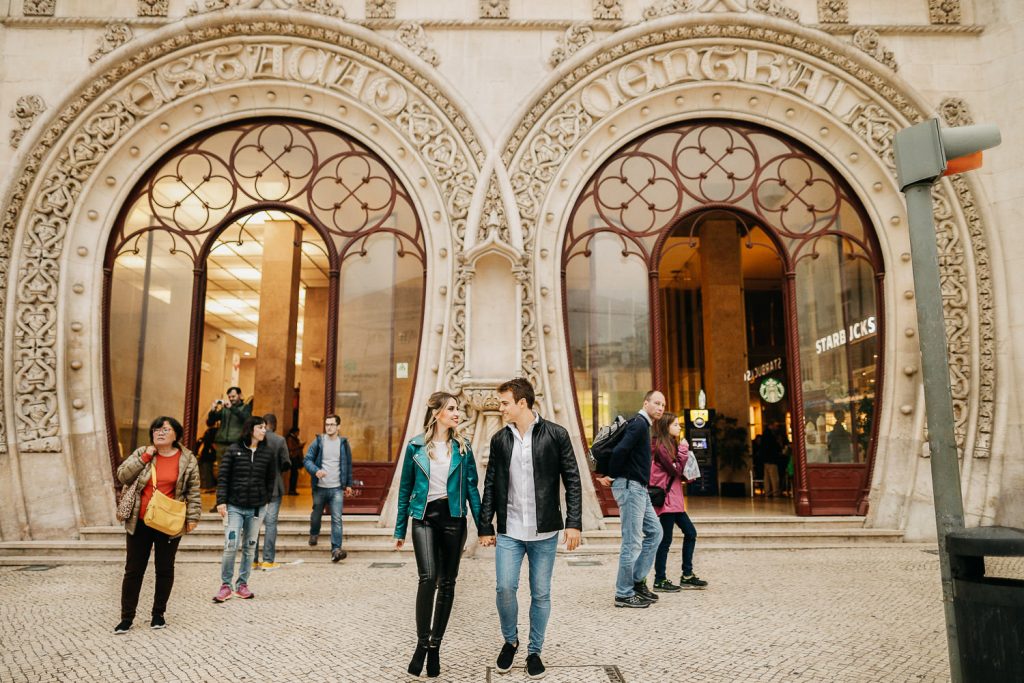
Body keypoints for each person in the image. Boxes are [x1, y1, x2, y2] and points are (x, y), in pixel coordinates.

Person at [479, 378, 583, 681]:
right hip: (510, 530)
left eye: (505, 403)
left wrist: (574, 522)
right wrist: (485, 525)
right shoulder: (500, 440)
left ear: (521, 403)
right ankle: (510, 641)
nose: (500, 408)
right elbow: (490, 484)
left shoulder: (556, 434)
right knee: (504, 588)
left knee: (541, 593)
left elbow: (572, 479)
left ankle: (534, 651)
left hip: (544, 532)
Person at [394, 392, 483, 678]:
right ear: (437, 413)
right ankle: (422, 643)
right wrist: (399, 529)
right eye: (452, 408)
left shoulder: (463, 448)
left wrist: (484, 527)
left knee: (447, 582)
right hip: (423, 518)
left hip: (454, 519)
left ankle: (435, 646)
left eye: (458, 409)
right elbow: (405, 490)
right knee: (428, 577)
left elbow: (472, 490)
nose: (457, 413)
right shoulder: (415, 447)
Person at [114, 416, 201, 634]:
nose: (160, 433)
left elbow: (193, 490)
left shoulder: (187, 459)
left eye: (165, 429)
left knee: (164, 569)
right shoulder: (143, 453)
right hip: (140, 521)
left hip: (168, 522)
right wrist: (145, 457)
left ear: (176, 434)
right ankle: (127, 618)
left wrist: (192, 517)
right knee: (133, 570)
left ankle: (158, 614)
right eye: (156, 429)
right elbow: (122, 476)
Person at [597, 390, 665, 608]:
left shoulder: (643, 425)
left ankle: (636, 581)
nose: (660, 408)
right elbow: (620, 450)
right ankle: (624, 593)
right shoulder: (638, 424)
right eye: (656, 403)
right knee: (632, 541)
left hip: (639, 488)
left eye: (663, 405)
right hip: (630, 487)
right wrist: (611, 474)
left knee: (655, 532)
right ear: (646, 403)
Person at [213, 415, 277, 602]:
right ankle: (226, 586)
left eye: (264, 427)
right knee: (231, 544)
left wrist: (265, 499)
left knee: (250, 547)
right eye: (260, 427)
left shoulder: (268, 453)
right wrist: (221, 501)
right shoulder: (233, 450)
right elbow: (223, 477)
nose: (264, 430)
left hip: (257, 508)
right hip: (234, 506)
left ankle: (242, 584)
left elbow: (270, 479)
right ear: (251, 429)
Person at [649, 413, 708, 592]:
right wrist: (683, 451)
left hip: (674, 501)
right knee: (665, 540)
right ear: (666, 426)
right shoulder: (660, 447)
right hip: (667, 502)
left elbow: (675, 472)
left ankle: (687, 575)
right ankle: (660, 580)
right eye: (675, 424)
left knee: (690, 533)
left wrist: (685, 474)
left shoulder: (669, 445)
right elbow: (674, 470)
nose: (679, 427)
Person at [303, 414, 354, 562]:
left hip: (337, 488)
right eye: (327, 424)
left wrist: (348, 484)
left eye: (332, 424)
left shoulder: (343, 444)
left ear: (338, 426)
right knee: (316, 514)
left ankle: (336, 549)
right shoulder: (319, 442)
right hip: (320, 487)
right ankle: (314, 533)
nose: (329, 427)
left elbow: (348, 465)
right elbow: (307, 460)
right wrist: (316, 471)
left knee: (337, 518)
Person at [254, 413, 291, 570]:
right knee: (270, 524)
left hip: (256, 487)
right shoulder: (279, 440)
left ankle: (252, 560)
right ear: (274, 424)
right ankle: (268, 560)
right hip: (274, 487)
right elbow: (286, 463)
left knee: (254, 524)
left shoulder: (255, 439)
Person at [206, 386, 253, 476]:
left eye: (233, 396)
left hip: (236, 444)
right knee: (221, 470)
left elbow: (247, 419)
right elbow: (210, 423)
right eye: (229, 397)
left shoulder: (246, 407)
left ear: (240, 395)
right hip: (221, 443)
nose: (231, 399)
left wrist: (232, 408)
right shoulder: (225, 409)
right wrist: (212, 411)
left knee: (236, 470)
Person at [197, 426, 218, 491]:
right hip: (206, 455)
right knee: (205, 470)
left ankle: (207, 486)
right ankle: (206, 486)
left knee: (206, 470)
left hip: (206, 455)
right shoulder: (211, 433)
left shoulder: (208, 434)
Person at [285, 426, 304, 495]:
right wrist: (299, 446)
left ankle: (293, 490)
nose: (298, 433)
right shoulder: (290, 438)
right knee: (294, 474)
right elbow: (290, 447)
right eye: (298, 432)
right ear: (294, 432)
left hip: (295, 458)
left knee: (295, 474)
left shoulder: (295, 438)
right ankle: (291, 490)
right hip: (293, 458)